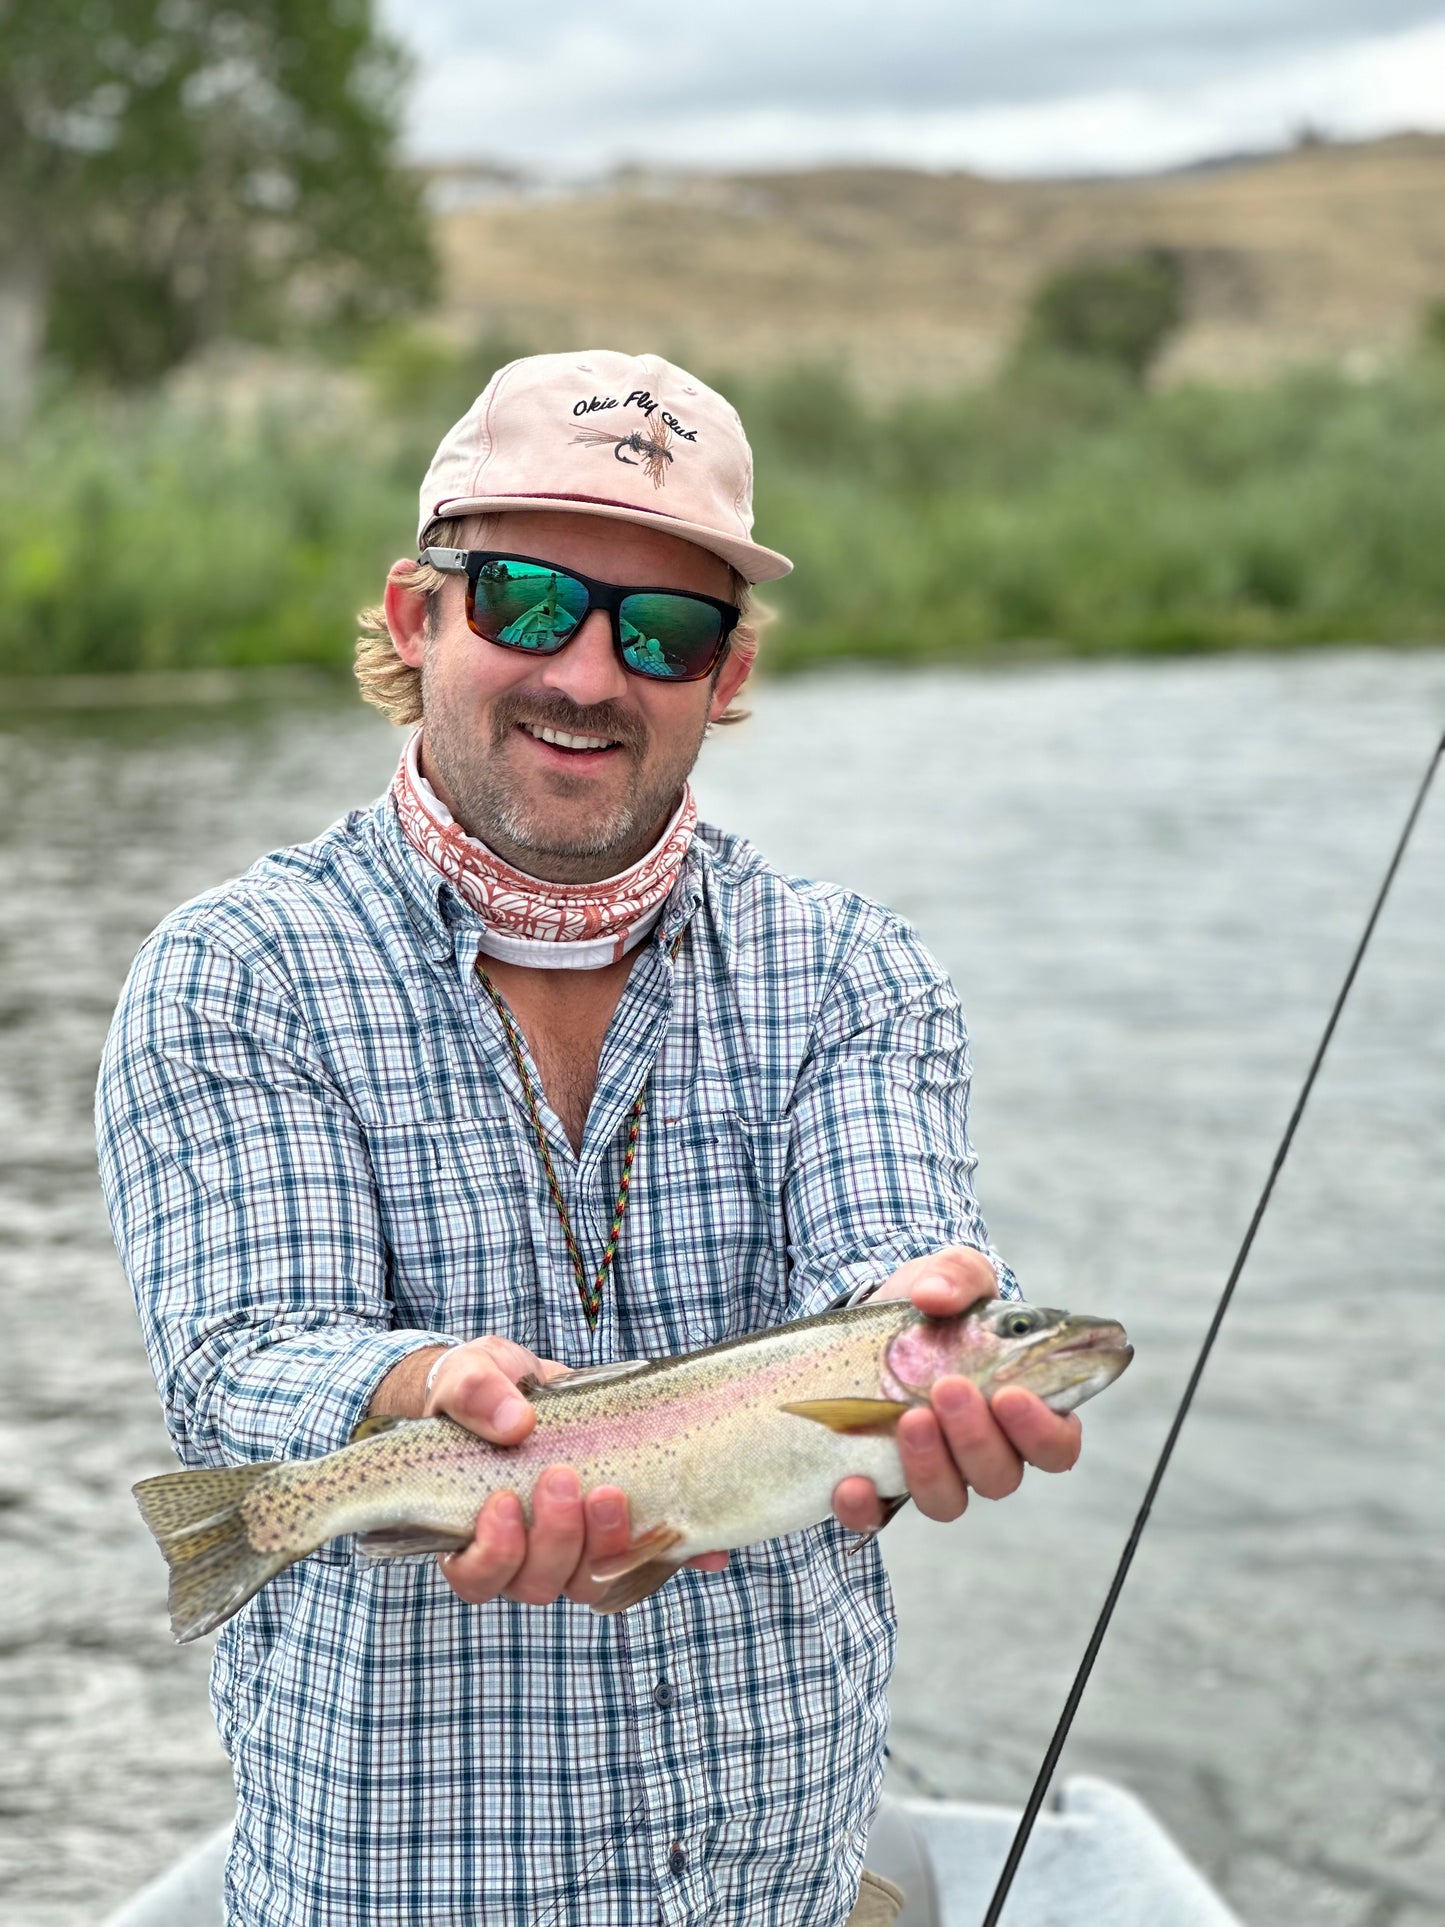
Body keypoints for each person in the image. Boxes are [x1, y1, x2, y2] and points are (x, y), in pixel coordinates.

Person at [97, 350, 1082, 1927]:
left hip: (777, 1893)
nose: (590, 674)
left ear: (728, 674)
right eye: (532, 604)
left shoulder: (851, 970)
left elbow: (882, 1258)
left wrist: (939, 1346)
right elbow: (242, 1351)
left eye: (665, 630)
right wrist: (416, 1391)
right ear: (419, 618)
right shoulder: (239, 969)